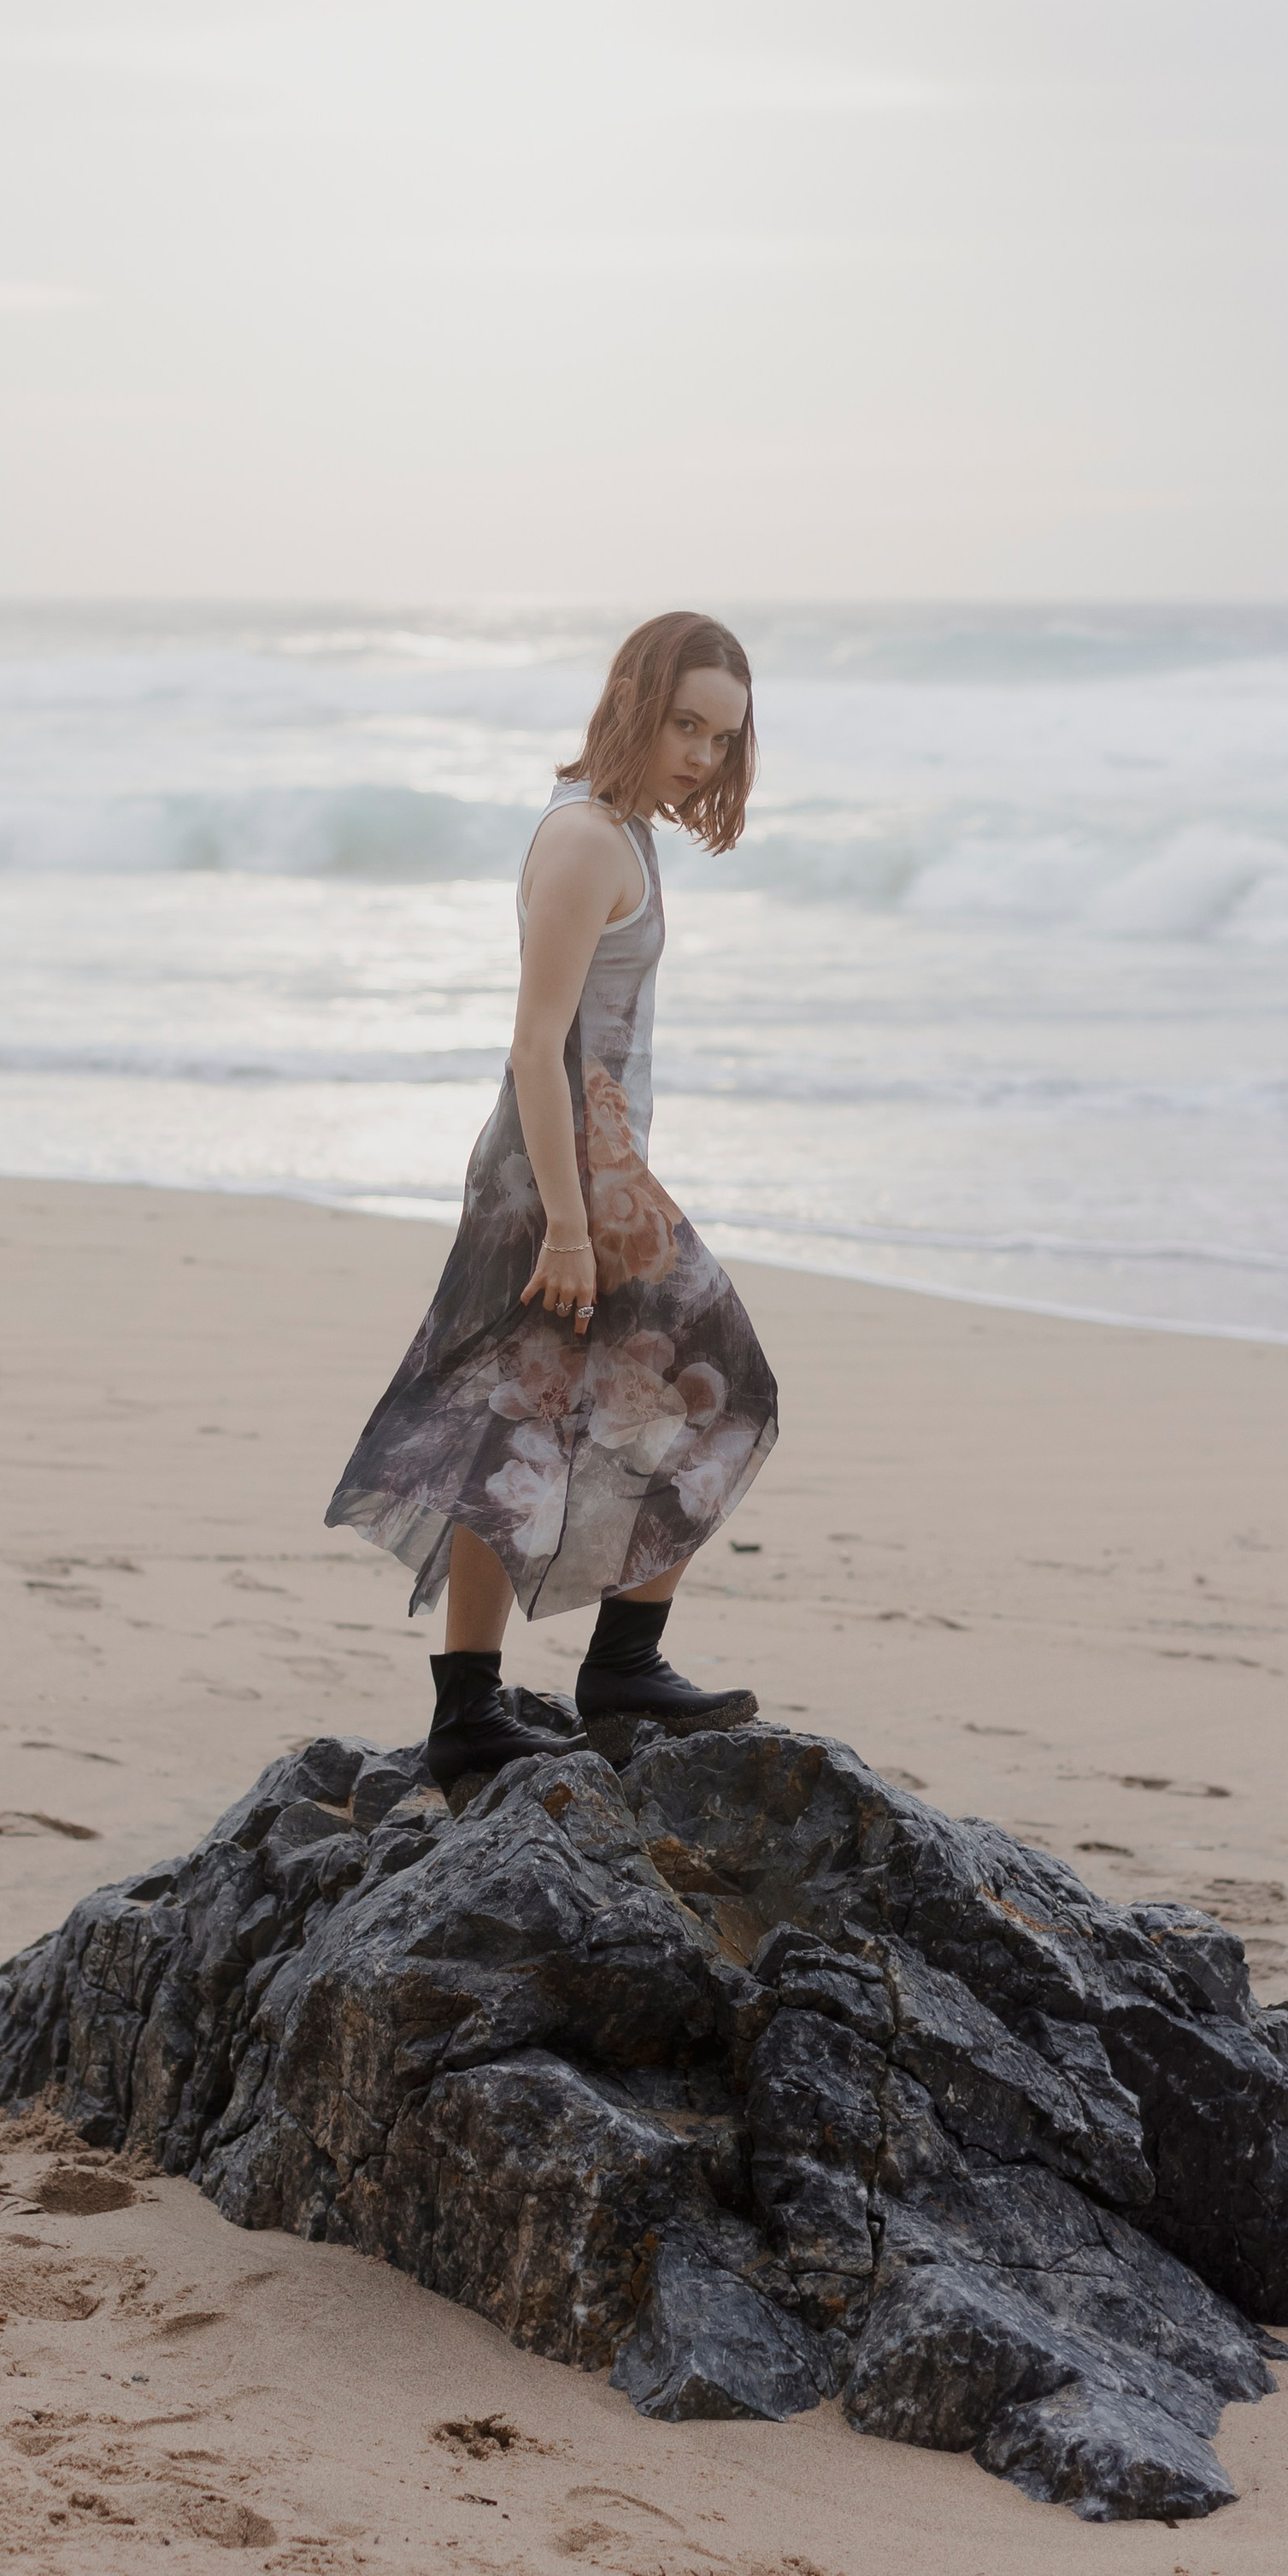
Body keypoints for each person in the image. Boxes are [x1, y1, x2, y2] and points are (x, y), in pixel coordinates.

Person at [326, 611, 780, 1794]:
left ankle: (471, 1713)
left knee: (512, 1427)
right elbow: (537, 1047)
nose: (701, 755)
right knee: (725, 1391)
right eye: (685, 724)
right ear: (632, 701)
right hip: (564, 1179)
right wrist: (573, 1224)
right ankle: (622, 1668)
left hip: (587, 1169)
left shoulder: (624, 833)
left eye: (722, 739)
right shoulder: (585, 841)